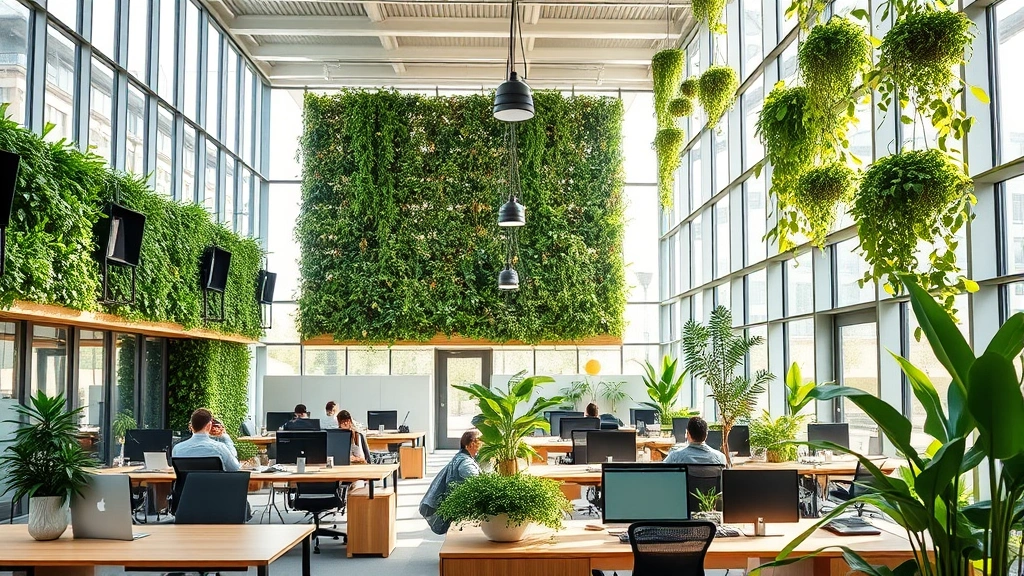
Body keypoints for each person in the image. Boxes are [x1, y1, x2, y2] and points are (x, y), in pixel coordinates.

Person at [419, 430, 482, 535]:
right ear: (471, 445)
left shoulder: (459, 457)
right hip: (461, 510)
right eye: (479, 445)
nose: (480, 448)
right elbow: (478, 484)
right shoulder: (466, 464)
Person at [172, 408, 241, 471]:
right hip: (215, 484)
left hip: (188, 485)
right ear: (209, 426)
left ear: (191, 426)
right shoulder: (220, 448)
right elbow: (235, 468)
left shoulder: (177, 449)